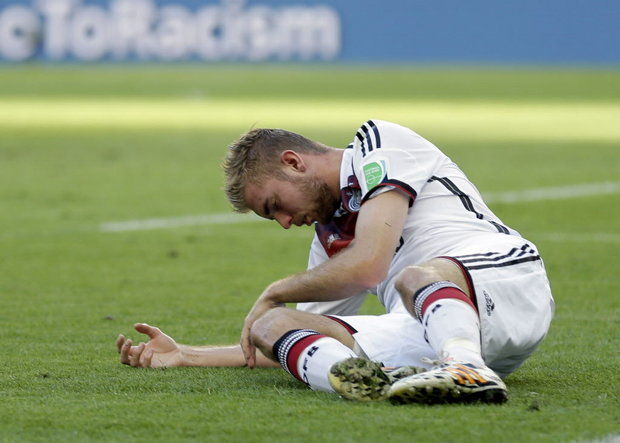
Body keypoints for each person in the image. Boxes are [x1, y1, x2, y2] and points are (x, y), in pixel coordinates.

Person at [119, 120, 554, 404]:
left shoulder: (379, 144)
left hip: (504, 281)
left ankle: (467, 369)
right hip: (434, 332)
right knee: (272, 326)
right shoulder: (328, 238)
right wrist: (187, 355)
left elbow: (369, 266)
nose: (284, 223)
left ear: (293, 162)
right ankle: (378, 386)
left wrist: (275, 290)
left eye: (275, 205)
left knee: (413, 276)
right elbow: (299, 340)